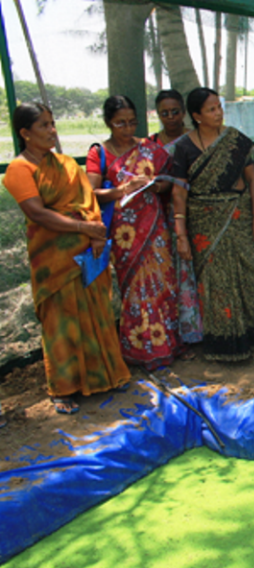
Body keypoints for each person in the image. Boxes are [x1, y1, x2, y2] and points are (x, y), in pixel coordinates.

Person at [4, 103, 131, 414]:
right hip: (54, 260)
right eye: (44, 126)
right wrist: (83, 227)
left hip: (88, 253)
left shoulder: (66, 164)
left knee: (96, 313)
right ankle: (63, 388)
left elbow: (87, 200)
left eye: (53, 123)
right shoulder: (19, 169)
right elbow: (37, 212)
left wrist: (95, 233)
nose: (52, 131)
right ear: (25, 133)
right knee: (61, 322)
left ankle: (105, 376)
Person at [170, 87, 254, 362]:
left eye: (219, 107)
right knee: (216, 282)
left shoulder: (237, 141)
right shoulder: (184, 148)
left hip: (239, 217)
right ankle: (227, 344)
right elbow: (179, 193)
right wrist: (181, 235)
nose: (218, 114)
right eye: (211, 109)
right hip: (204, 223)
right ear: (197, 116)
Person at [86, 95, 184, 370]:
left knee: (161, 284)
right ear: (108, 123)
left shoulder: (149, 148)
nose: (128, 129)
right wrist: (120, 191)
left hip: (155, 228)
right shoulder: (100, 153)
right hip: (124, 232)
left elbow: (169, 184)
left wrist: (153, 185)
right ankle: (138, 349)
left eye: (132, 123)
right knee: (135, 289)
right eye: (120, 124)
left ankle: (168, 344)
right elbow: (89, 192)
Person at [150, 89, 203, 346]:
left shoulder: (197, 140)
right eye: (164, 113)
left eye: (175, 112)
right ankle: (181, 331)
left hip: (199, 212)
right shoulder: (150, 145)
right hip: (165, 216)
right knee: (176, 271)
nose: (170, 117)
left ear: (184, 112)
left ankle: (208, 326)